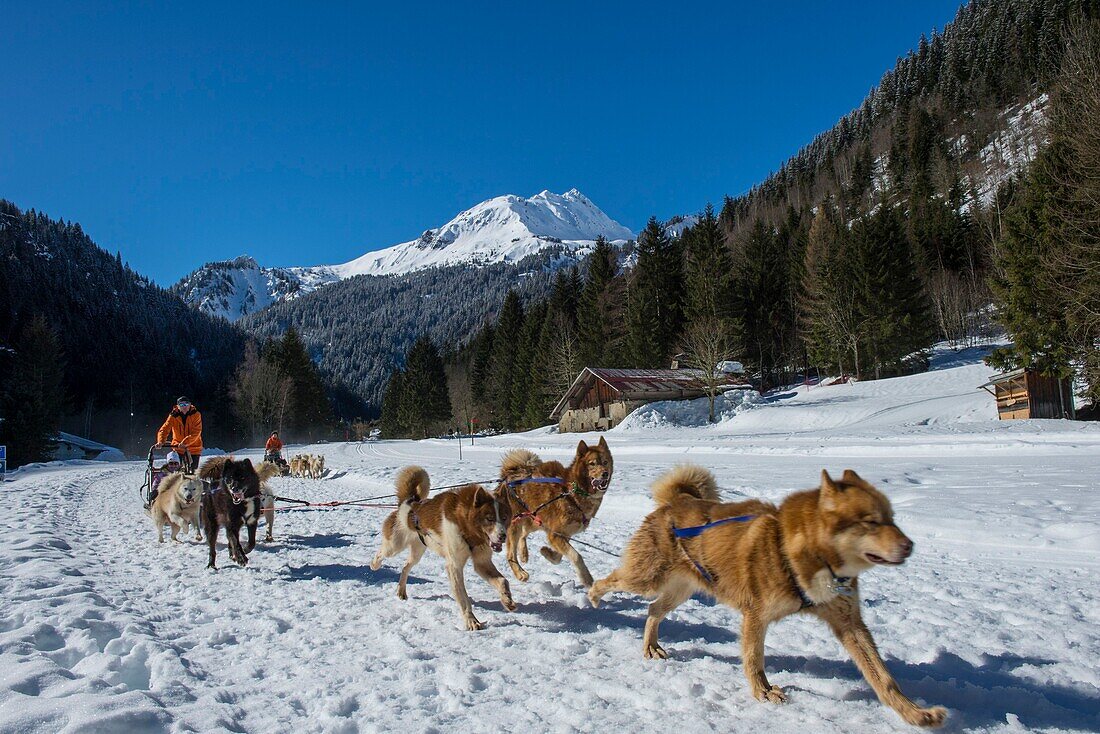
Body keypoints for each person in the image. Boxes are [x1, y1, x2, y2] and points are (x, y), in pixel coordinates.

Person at [157, 396, 203, 472]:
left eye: (186, 404)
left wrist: (185, 443)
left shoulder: (196, 415)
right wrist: (160, 441)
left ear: (190, 405)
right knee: (177, 470)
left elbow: (196, 432)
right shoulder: (173, 416)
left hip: (194, 447)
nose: (184, 407)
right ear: (178, 406)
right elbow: (164, 429)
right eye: (181, 405)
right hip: (178, 447)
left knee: (192, 471)